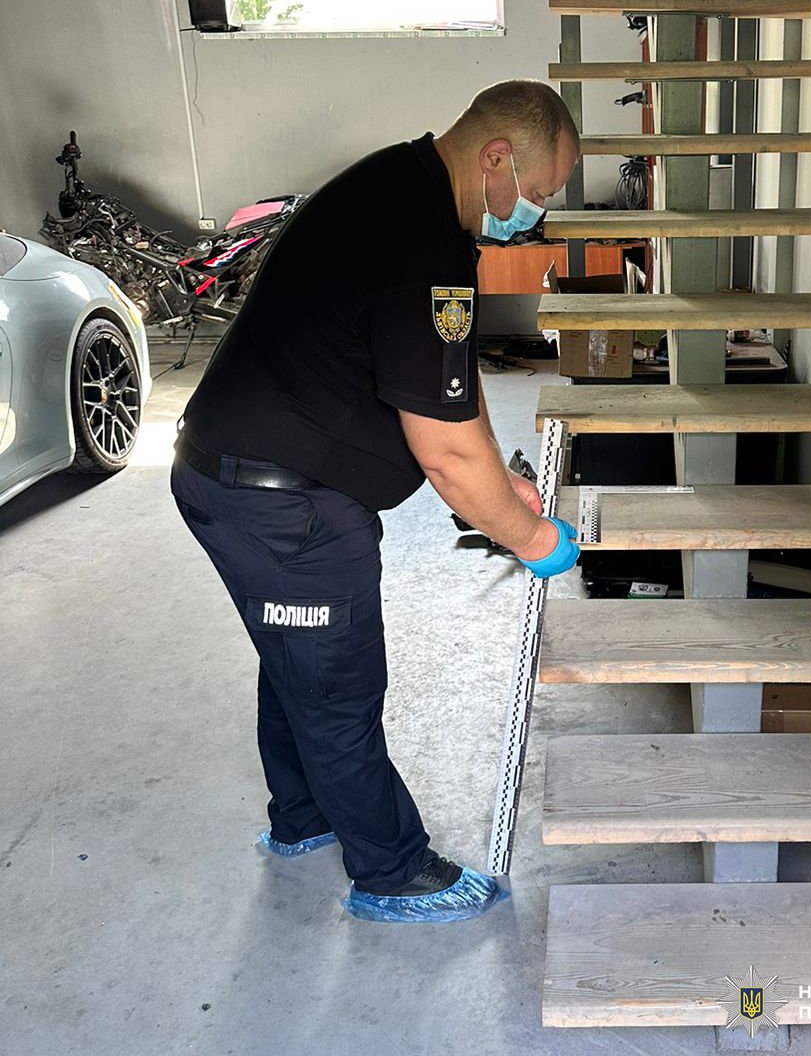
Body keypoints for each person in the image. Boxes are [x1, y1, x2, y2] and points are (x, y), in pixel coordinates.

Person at [170, 80, 581, 923]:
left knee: (299, 656)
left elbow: (444, 390)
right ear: (496, 159)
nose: (533, 215)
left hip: (243, 475)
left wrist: (499, 482)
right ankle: (390, 872)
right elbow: (446, 455)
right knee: (336, 685)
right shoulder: (422, 244)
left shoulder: (403, 186)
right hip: (280, 506)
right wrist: (531, 537)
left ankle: (303, 817)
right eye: (537, 194)